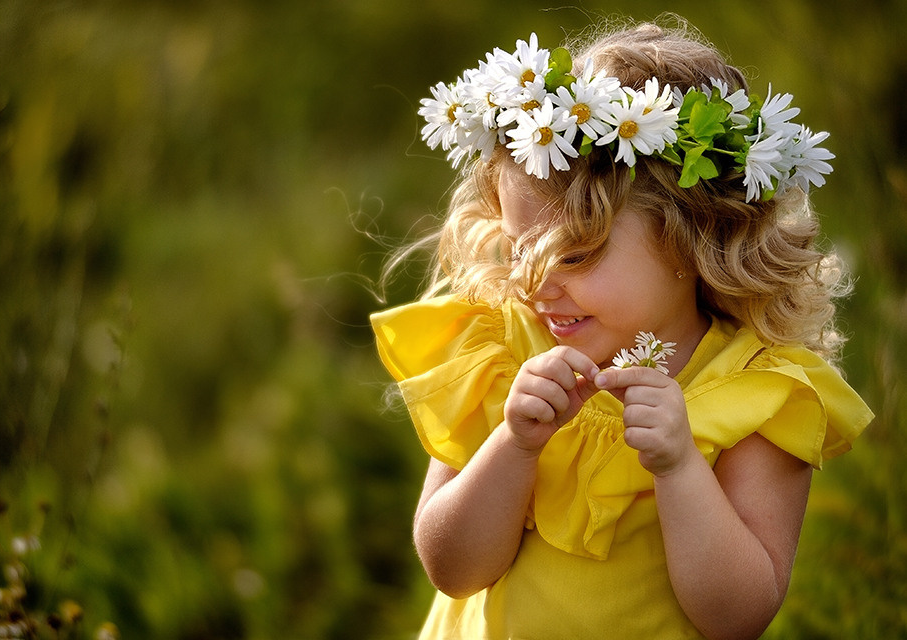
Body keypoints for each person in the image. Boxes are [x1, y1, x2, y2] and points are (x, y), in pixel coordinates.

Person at [370, 17, 873, 640]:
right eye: (521, 248)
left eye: (576, 256)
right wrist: (514, 445)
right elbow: (452, 569)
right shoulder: (502, 351)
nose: (535, 283)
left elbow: (738, 618)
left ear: (692, 238)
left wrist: (679, 467)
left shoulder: (754, 396)